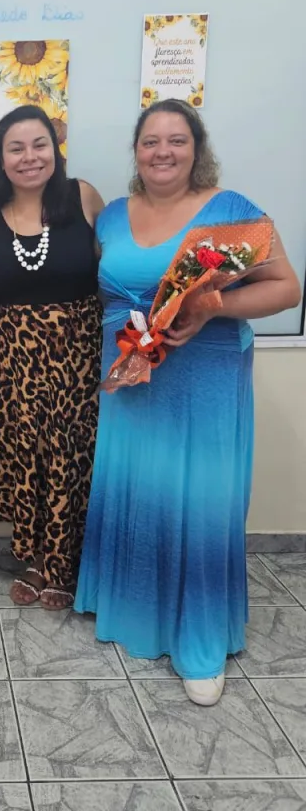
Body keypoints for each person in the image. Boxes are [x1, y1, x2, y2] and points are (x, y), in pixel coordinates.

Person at [74, 99, 301, 706]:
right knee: (138, 488)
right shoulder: (112, 216)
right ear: (136, 151)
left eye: (177, 140)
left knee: (199, 500)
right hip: (130, 378)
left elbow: (287, 288)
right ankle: (134, 611)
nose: (163, 152)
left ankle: (199, 639)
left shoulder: (231, 212)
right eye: (150, 141)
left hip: (205, 379)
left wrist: (211, 307)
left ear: (197, 147)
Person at [0, 105, 103, 610]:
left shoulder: (83, 197)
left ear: (55, 149)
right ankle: (34, 556)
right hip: (14, 361)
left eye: (39, 144)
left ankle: (66, 562)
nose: (29, 157)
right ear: (1, 158)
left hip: (79, 358)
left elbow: (114, 275)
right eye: (16, 148)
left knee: (71, 457)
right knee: (27, 458)